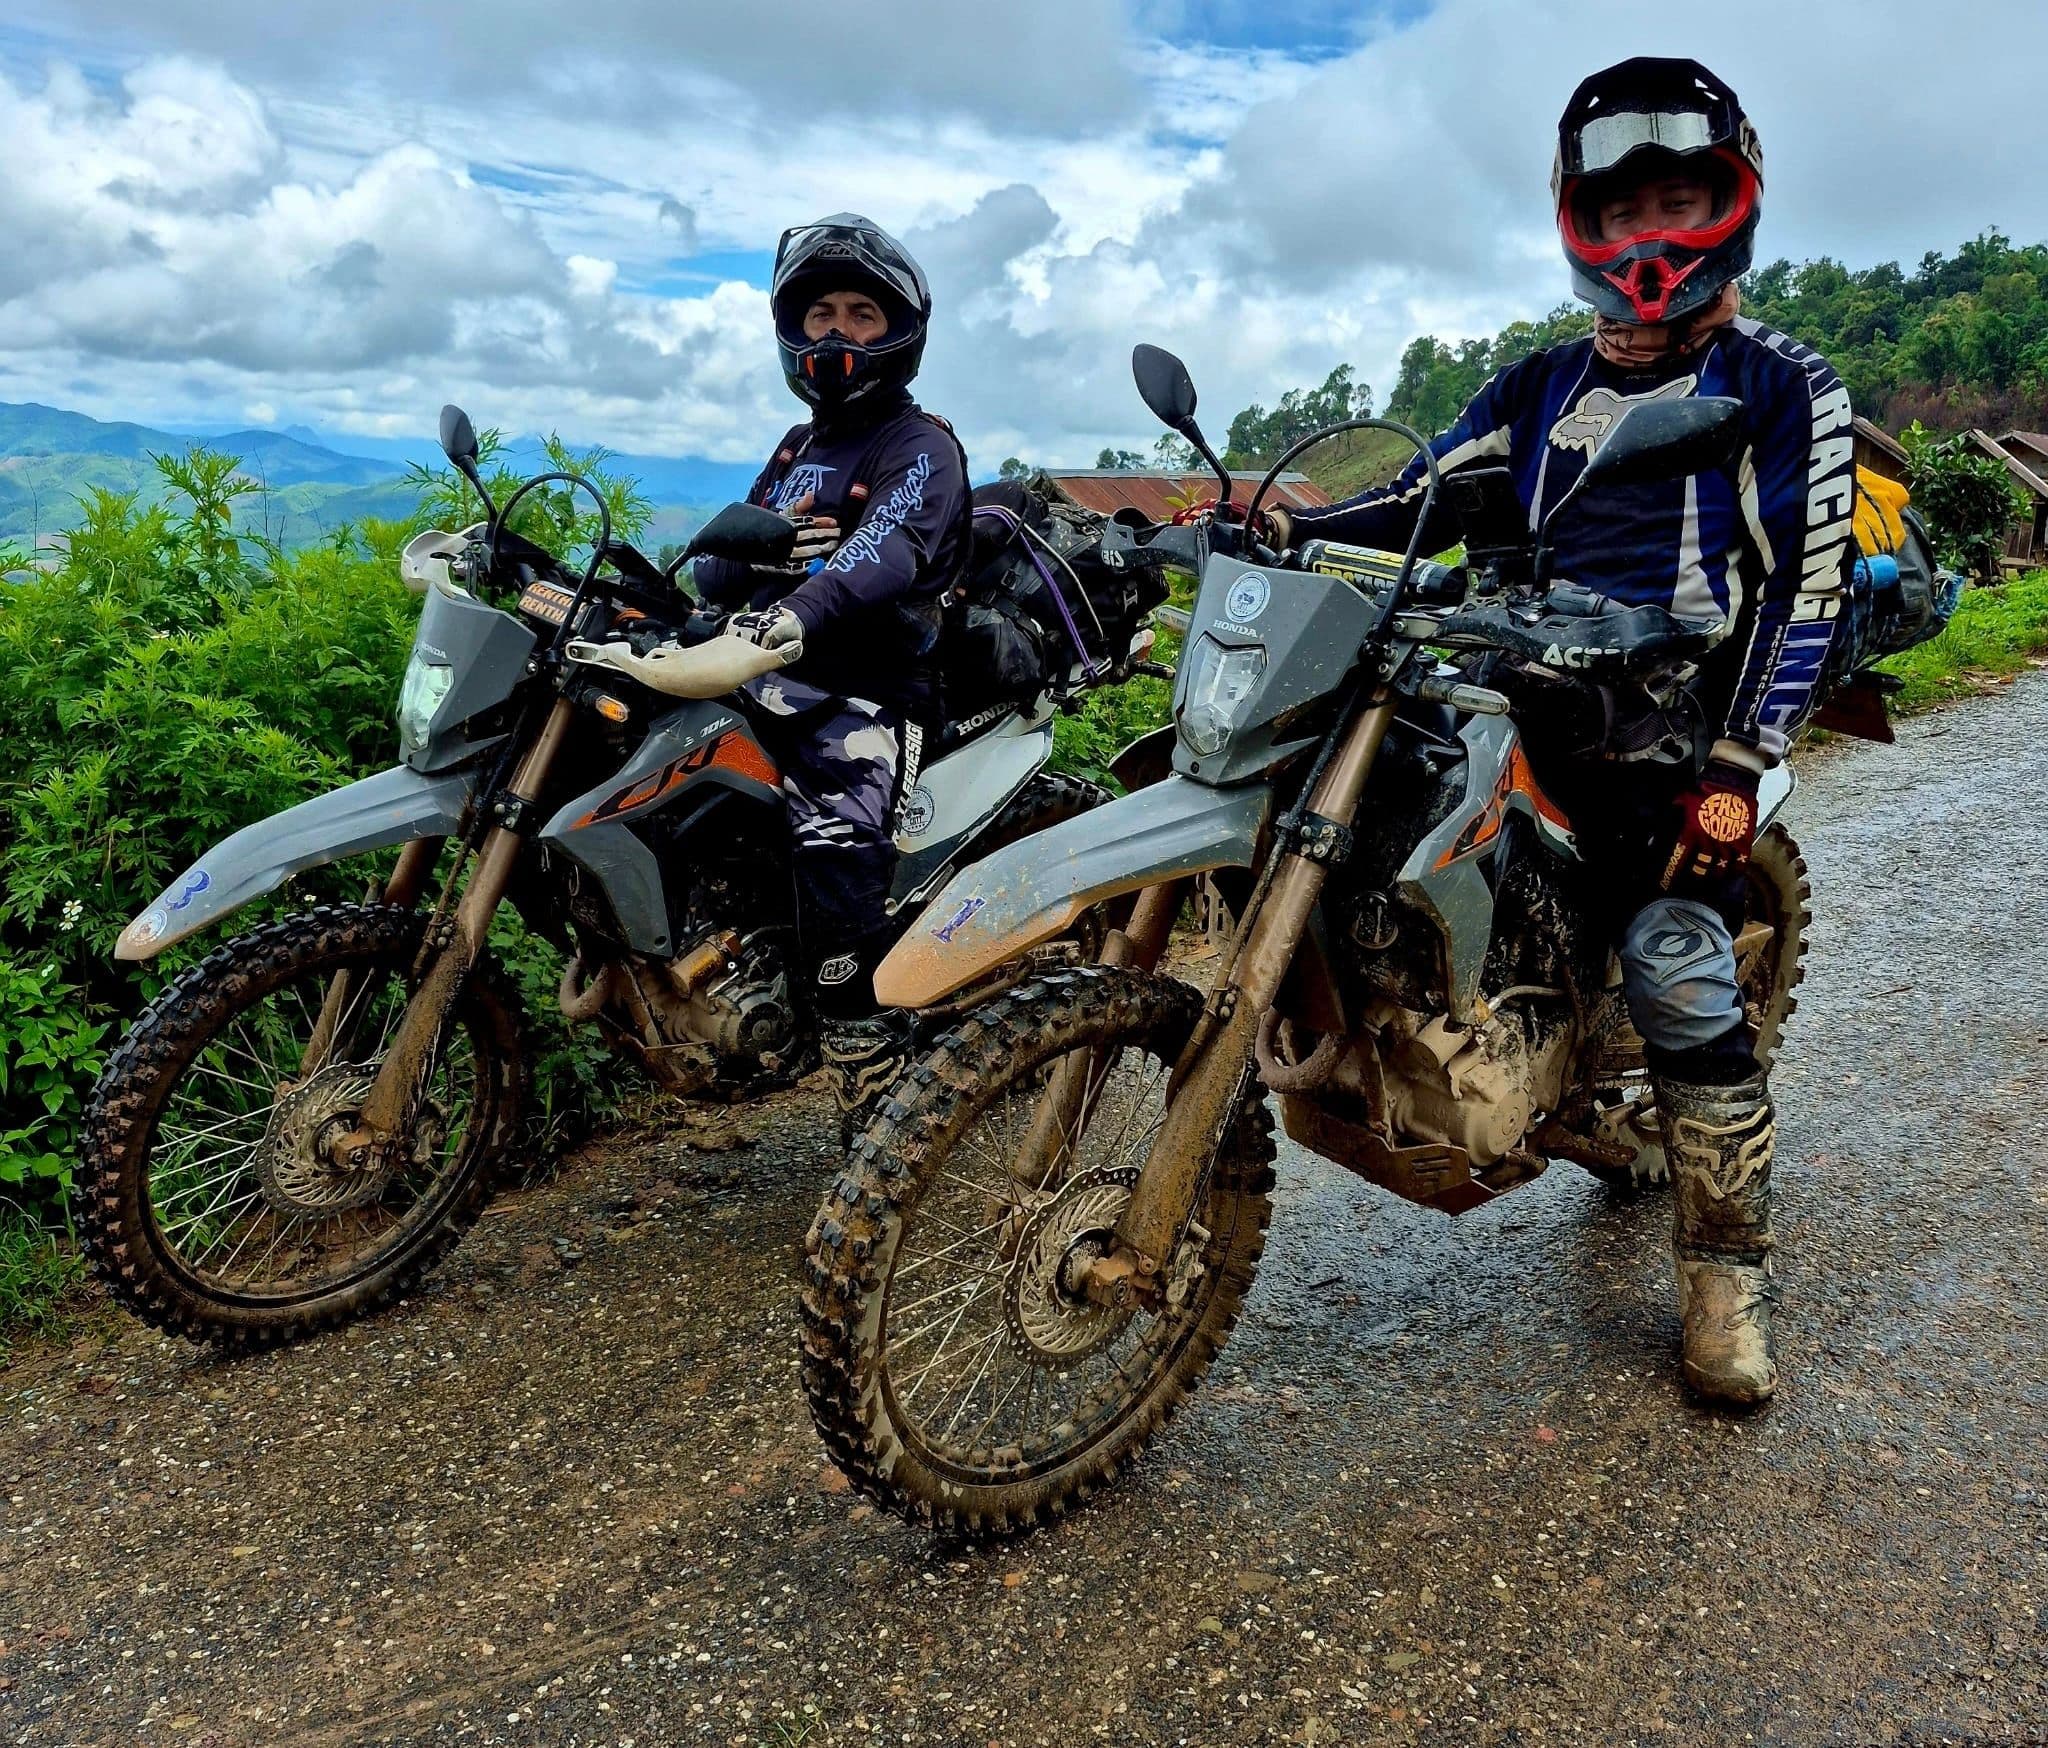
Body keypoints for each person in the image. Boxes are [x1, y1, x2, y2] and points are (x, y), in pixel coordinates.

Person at [1262, 58, 1853, 1404]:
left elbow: (1802, 589)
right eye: (1621, 205)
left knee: (1678, 959)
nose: (1649, 232)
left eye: (1677, 200)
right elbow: (1423, 493)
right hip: (1517, 675)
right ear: (1581, 220)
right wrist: (1290, 525)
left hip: (1672, 713)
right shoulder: (1536, 385)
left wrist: (1737, 766)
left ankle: (1723, 1275)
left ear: (1730, 201)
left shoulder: (1781, 384)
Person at [692, 214, 969, 1119]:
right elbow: (720, 562)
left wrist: (795, 608)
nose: (836, 332)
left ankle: (863, 1046)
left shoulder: (920, 446)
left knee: (835, 825)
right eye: (820, 314)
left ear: (897, 331)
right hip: (768, 669)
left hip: (867, 690)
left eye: (860, 312)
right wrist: (747, 566)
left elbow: (885, 552)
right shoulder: (796, 447)